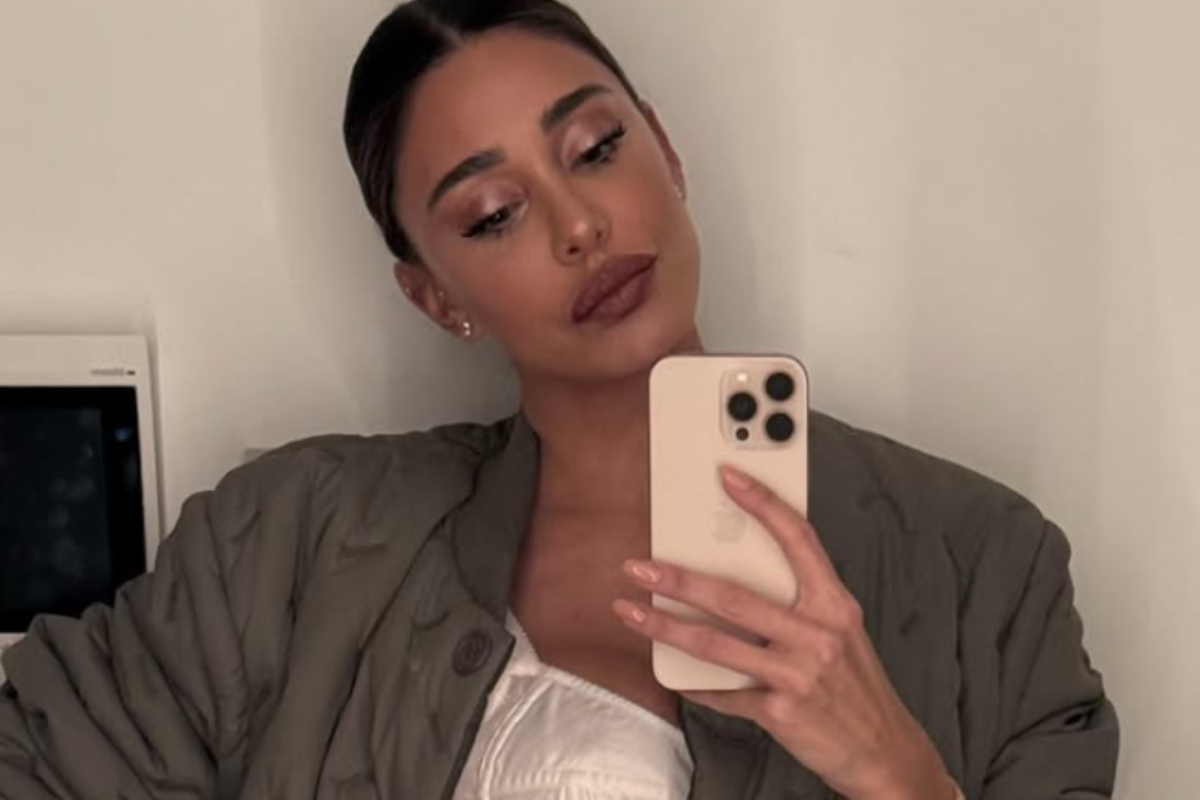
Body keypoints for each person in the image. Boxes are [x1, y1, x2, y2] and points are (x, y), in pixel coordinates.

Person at [0, 1, 1118, 798]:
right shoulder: (291, 540)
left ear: (666, 151)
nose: (578, 224)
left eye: (596, 147)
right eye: (493, 214)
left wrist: (893, 767)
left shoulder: (987, 568)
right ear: (437, 297)